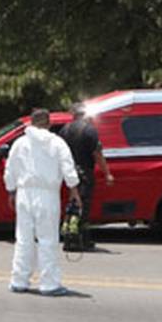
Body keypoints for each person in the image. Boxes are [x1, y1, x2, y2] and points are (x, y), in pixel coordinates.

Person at [4, 108, 82, 294]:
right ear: (48, 123)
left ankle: (19, 280)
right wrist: (74, 190)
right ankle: (49, 283)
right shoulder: (57, 143)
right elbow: (68, 168)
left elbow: (10, 169)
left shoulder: (20, 143)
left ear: (31, 122)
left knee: (23, 239)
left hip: (24, 193)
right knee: (47, 239)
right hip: (47, 194)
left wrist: (11, 191)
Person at [58, 102, 114, 249]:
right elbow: (97, 154)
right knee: (82, 206)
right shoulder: (90, 131)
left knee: (72, 206)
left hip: (68, 173)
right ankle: (78, 239)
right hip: (84, 173)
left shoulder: (65, 129)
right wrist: (107, 173)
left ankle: (69, 237)